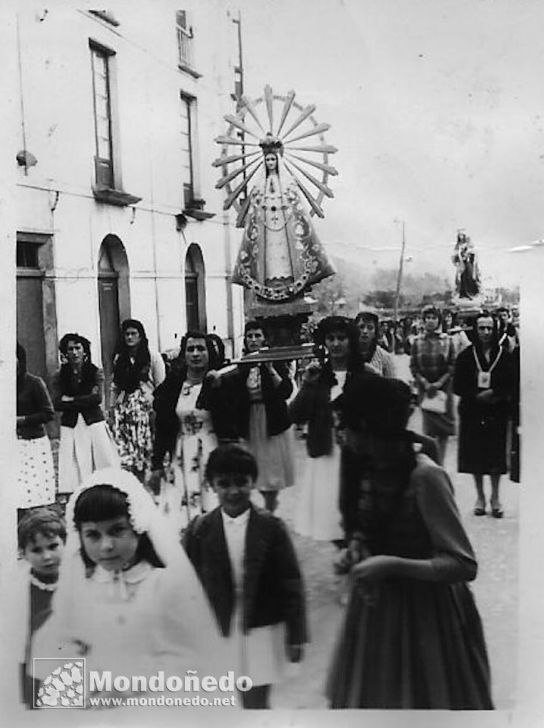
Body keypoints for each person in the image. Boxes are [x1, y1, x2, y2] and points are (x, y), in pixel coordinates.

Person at [326, 376, 493, 709]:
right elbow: (370, 525)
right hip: (378, 613)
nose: (343, 437)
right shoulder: (369, 467)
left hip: (427, 616)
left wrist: (391, 564)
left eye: (348, 428)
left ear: (370, 427)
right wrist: (356, 549)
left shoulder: (426, 477)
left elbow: (463, 564)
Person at [31, 468, 229, 707]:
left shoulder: (165, 585)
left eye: (117, 531)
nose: (106, 546)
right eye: (93, 535)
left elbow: (192, 657)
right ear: (80, 538)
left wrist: (128, 688)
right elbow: (57, 646)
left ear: (137, 528)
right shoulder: (81, 587)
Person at [183, 444, 307, 709]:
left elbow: (291, 583)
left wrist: (296, 634)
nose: (233, 491)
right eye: (224, 484)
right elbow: (185, 584)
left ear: (253, 482)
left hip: (261, 625)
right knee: (223, 695)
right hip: (219, 624)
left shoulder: (271, 528)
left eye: (241, 482)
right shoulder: (199, 530)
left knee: (257, 696)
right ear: (212, 486)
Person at [231, 133, 335, 302]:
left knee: (285, 254)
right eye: (267, 160)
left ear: (278, 160)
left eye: (273, 160)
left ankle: (289, 279)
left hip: (286, 228)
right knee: (270, 255)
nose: (270, 163)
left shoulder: (288, 184)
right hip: (266, 229)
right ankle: (269, 281)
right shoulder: (260, 186)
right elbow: (254, 211)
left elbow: (297, 210)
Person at [289, 316, 362, 542]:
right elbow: (295, 415)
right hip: (326, 453)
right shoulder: (318, 377)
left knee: (357, 515)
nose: (336, 344)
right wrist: (307, 385)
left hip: (356, 454)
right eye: (331, 338)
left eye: (342, 338)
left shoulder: (363, 374)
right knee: (331, 516)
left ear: (351, 341)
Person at [214, 321, 294, 513]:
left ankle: (270, 508)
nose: (253, 340)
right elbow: (231, 393)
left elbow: (286, 391)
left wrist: (270, 369)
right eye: (250, 336)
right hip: (249, 421)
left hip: (270, 421)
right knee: (250, 470)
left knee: (271, 473)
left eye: (257, 336)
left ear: (264, 338)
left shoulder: (275, 360)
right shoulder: (240, 364)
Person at [149, 332, 220, 530]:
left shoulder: (220, 381)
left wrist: (217, 388)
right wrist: (156, 463)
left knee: (212, 504)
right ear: (184, 355)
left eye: (201, 349)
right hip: (181, 454)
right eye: (190, 349)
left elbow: (233, 419)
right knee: (180, 511)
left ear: (209, 352)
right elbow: (163, 426)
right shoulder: (173, 386)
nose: (196, 354)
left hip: (213, 452)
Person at [453, 312, 513, 517]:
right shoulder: (466, 356)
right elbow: (458, 385)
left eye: (489, 328)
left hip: (497, 410)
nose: (486, 332)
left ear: (495, 330)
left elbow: (512, 382)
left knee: (495, 454)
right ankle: (479, 496)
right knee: (475, 454)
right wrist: (475, 395)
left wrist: (495, 392)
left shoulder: (504, 355)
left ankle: (495, 497)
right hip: (473, 410)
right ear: (475, 330)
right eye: (481, 328)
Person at [53, 333, 120, 496]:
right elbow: (57, 403)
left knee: (102, 457)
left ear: (85, 352)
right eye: (70, 349)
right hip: (71, 423)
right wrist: (81, 400)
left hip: (93, 422)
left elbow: (96, 398)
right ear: (65, 353)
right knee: (74, 462)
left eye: (78, 348)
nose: (74, 352)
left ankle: (106, 490)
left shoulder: (95, 372)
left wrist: (71, 400)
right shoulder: (59, 376)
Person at [17, 508, 66, 708]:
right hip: (34, 666)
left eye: (53, 546)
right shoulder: (19, 590)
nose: (47, 556)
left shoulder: (77, 581)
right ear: (24, 554)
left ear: (65, 544)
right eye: (37, 550)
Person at [110, 319, 165, 482]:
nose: (130, 337)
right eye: (127, 334)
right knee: (127, 451)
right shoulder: (119, 358)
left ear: (141, 336)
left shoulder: (152, 357)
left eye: (134, 334)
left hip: (146, 409)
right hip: (125, 409)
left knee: (146, 448)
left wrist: (157, 408)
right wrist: (112, 408)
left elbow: (161, 385)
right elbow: (115, 386)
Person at [409, 306, 455, 465]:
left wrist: (439, 383)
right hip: (426, 390)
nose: (430, 321)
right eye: (427, 318)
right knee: (429, 432)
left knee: (443, 432)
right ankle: (432, 464)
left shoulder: (448, 340)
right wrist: (425, 383)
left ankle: (440, 464)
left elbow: (452, 365)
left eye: (434, 318)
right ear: (423, 321)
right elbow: (413, 367)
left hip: (444, 390)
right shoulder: (416, 342)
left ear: (439, 321)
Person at [16, 343, 56, 511]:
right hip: (11, 445)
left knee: (34, 494)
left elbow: (48, 413)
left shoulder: (34, 383)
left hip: (32, 443)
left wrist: (23, 420)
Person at [354, 311, 396, 377]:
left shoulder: (385, 357)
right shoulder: (345, 354)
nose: (365, 331)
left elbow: (392, 384)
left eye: (370, 328)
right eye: (361, 327)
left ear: (375, 332)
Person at [452, 231, 481, 300]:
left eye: (462, 235)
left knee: (469, 277)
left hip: (467, 263)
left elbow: (473, 251)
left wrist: (467, 253)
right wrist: (458, 258)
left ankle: (471, 293)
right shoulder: (457, 245)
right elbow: (455, 254)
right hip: (461, 264)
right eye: (460, 236)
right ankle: (463, 293)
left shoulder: (468, 244)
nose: (461, 237)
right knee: (462, 278)